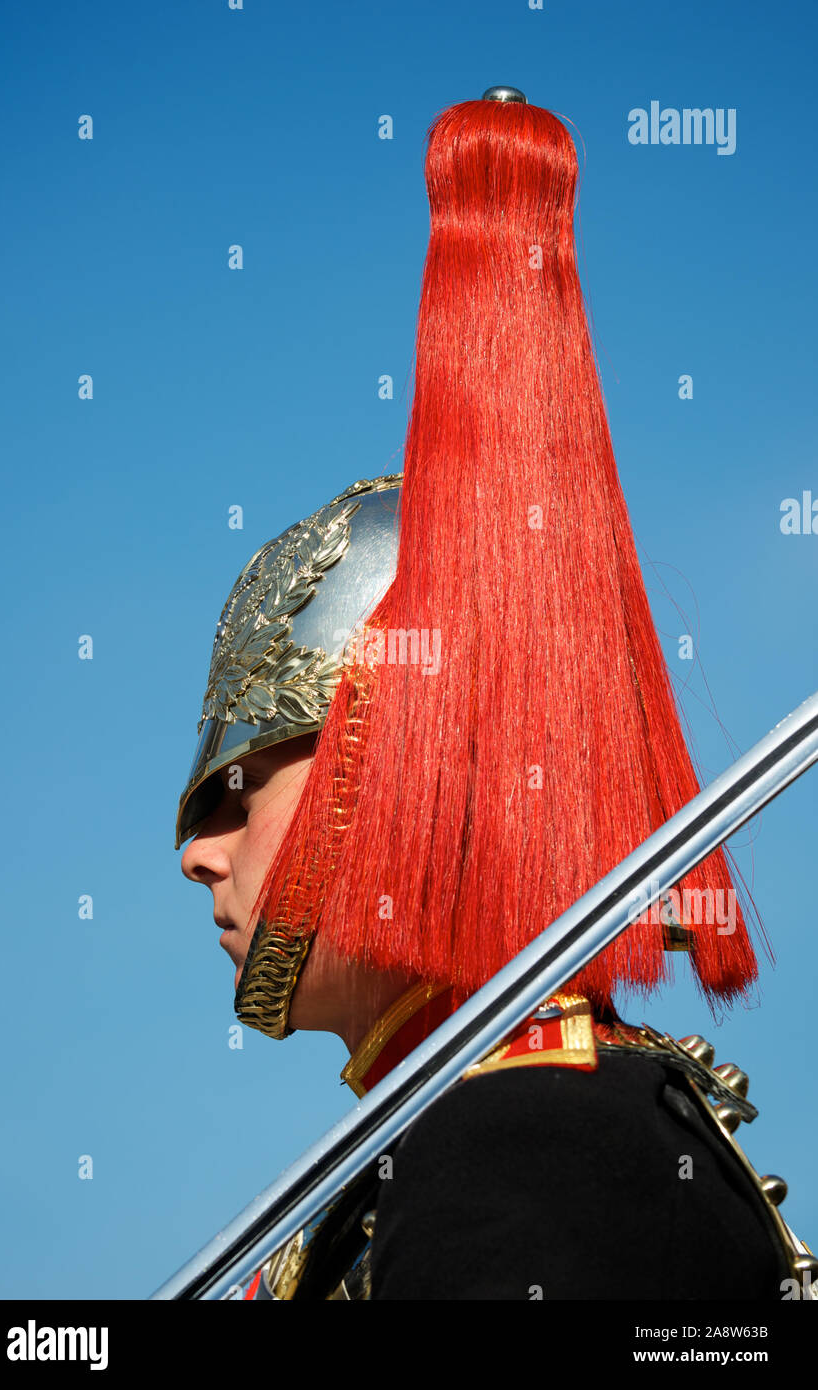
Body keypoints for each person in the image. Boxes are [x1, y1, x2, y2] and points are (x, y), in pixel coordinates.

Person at [176, 89, 816, 1300]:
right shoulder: (465, 1118)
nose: (198, 852)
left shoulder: (530, 1138)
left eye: (244, 781)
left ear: (388, 762)